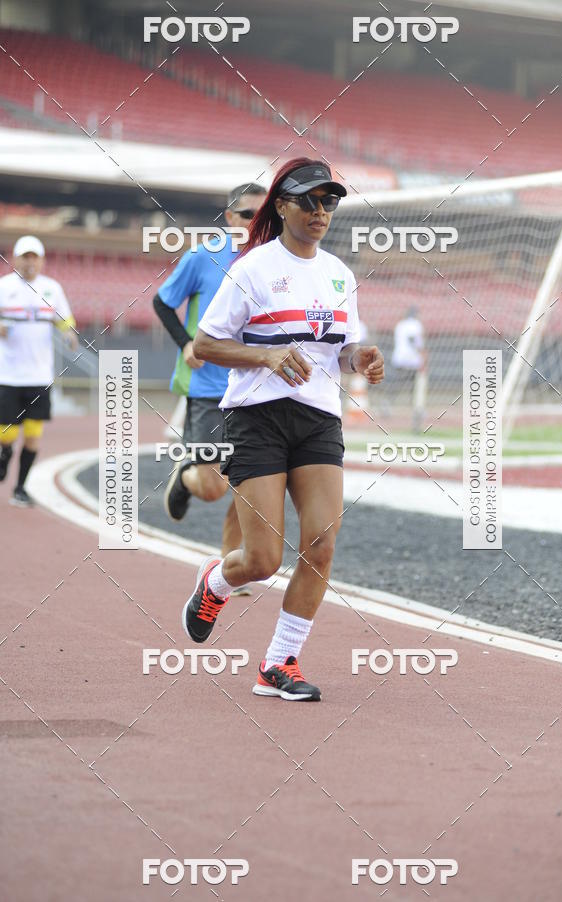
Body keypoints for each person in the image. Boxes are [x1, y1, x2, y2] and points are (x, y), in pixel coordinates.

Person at [181, 158, 384, 701]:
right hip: (257, 417)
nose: (321, 211)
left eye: (330, 202)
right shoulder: (251, 269)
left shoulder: (340, 274)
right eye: (310, 201)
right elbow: (205, 346)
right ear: (282, 206)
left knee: (320, 544)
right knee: (264, 560)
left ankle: (278, 664)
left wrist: (359, 359)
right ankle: (216, 582)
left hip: (318, 419)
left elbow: (340, 353)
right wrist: (265, 357)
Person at [153, 183, 266, 574]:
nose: (257, 222)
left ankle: (231, 567)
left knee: (249, 486)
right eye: (249, 214)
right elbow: (162, 302)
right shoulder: (204, 256)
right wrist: (186, 343)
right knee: (215, 486)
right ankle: (185, 477)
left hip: (255, 389)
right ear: (231, 217)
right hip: (207, 387)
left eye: (264, 214)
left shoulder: (272, 259)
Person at [0, 236, 78, 507]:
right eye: (25, 256)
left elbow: (64, 319)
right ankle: (4, 454)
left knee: (33, 436)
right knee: (6, 434)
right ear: (16, 259)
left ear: (42, 260)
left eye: (35, 257)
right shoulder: (4, 287)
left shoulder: (51, 289)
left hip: (39, 376)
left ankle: (20, 487)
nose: (30, 262)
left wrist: (69, 333)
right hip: (7, 376)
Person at [391, 306, 427, 432]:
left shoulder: (400, 324)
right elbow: (414, 341)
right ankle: (417, 411)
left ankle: (388, 403)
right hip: (411, 361)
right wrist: (423, 357)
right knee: (415, 388)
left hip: (399, 359)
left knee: (399, 384)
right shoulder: (415, 325)